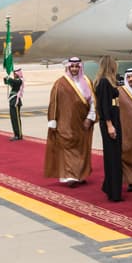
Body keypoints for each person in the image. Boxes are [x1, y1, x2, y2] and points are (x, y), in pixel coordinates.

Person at [44, 57, 96, 187]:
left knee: (82, 149)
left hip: (83, 123)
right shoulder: (60, 83)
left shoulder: (87, 82)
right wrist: (52, 120)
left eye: (76, 67)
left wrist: (90, 118)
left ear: (80, 67)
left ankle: (80, 175)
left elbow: (93, 102)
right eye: (72, 67)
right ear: (68, 67)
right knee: (68, 149)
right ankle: (70, 177)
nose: (74, 69)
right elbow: (53, 103)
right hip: (65, 123)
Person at [93, 56, 123, 202]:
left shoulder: (107, 81)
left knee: (115, 155)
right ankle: (114, 191)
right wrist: (110, 125)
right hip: (110, 122)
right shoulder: (105, 82)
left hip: (114, 119)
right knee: (113, 156)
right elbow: (104, 106)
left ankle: (111, 187)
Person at [4, 68, 24, 141]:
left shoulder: (20, 81)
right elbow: (7, 82)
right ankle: (16, 134)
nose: (14, 75)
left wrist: (9, 78)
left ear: (18, 74)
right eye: (14, 74)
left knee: (16, 119)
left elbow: (13, 82)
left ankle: (19, 135)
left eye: (15, 74)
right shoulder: (15, 81)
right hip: (12, 101)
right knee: (13, 119)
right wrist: (6, 78)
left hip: (16, 101)